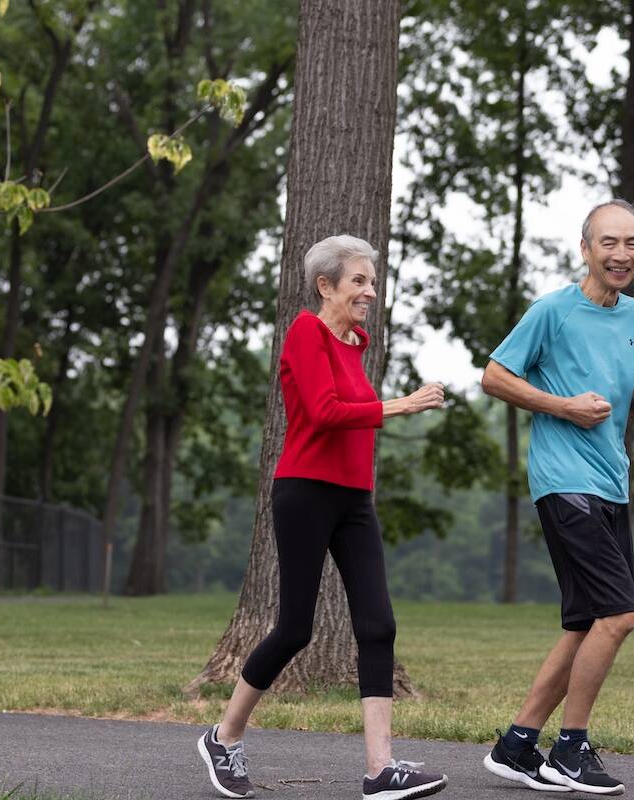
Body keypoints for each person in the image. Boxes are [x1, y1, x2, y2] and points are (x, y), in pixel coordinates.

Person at [198, 235, 449, 800]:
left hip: (354, 498)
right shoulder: (305, 332)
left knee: (379, 624)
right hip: (305, 491)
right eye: (359, 281)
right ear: (326, 285)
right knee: (294, 628)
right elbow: (324, 411)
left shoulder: (357, 343)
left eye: (371, 282)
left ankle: (380, 769)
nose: (370, 291)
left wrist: (388, 408)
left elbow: (349, 410)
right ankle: (224, 736)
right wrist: (402, 404)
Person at [479, 199, 634, 797]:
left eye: (632, 243)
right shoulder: (554, 311)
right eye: (609, 243)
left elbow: (622, 402)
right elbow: (494, 375)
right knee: (619, 615)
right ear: (585, 248)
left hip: (612, 483)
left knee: (588, 621)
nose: (621, 254)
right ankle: (570, 748)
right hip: (564, 482)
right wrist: (562, 407)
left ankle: (516, 744)